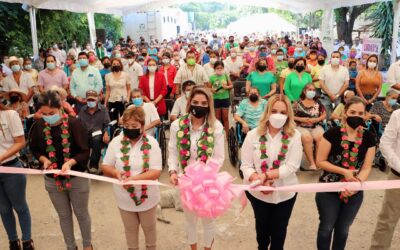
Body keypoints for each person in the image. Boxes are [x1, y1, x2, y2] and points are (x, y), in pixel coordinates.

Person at [30, 90, 92, 250]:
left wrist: (70, 163)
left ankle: (87, 246)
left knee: (81, 213)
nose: (48, 117)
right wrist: (44, 160)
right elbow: (35, 149)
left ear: (61, 108)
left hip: (76, 178)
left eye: (51, 113)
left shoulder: (74, 124)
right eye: (44, 113)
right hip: (52, 180)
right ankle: (71, 246)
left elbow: (84, 151)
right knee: (64, 216)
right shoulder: (39, 125)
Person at [240, 94, 302, 250]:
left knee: (279, 233)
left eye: (283, 112)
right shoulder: (253, 135)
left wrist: (266, 176)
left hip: (285, 194)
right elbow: (245, 165)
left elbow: (292, 166)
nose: (278, 115)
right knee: (262, 231)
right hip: (258, 193)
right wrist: (259, 180)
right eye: (274, 111)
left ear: (288, 115)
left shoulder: (295, 136)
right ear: (267, 112)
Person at [316, 96, 376, 250]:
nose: (356, 116)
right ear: (345, 113)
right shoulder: (332, 134)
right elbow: (320, 161)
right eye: (353, 112)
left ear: (365, 115)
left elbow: (367, 167)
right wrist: (344, 171)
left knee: (343, 231)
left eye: (361, 113)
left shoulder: (369, 137)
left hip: (354, 190)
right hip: (328, 188)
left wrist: (355, 185)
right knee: (326, 228)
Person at [168, 87, 224, 250]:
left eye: (204, 103)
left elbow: (219, 157)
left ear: (209, 105)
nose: (199, 106)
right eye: (195, 102)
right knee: (190, 220)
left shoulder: (216, 126)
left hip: (207, 182)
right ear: (189, 103)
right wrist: (172, 171)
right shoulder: (177, 125)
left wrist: (203, 176)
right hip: (185, 181)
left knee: (208, 221)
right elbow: (172, 151)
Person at [102, 106, 161, 250]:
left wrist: (134, 179)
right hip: (124, 198)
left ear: (142, 126)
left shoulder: (152, 143)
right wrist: (116, 173)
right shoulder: (116, 142)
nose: (129, 129)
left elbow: (156, 171)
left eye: (134, 126)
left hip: (148, 198)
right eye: (126, 125)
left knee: (150, 230)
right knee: (130, 230)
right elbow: (105, 166)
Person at [0, 94, 34, 250]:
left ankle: (27, 241)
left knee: (20, 206)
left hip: (11, 168)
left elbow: (20, 142)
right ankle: (13, 242)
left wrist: (1, 157)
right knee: (4, 209)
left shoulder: (10, 115)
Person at [293, 84, 326, 170]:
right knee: (307, 138)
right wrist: (301, 119)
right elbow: (291, 116)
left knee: (320, 137)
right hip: (301, 126)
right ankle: (312, 163)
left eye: (313, 90)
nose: (312, 92)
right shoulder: (297, 103)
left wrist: (317, 119)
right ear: (304, 91)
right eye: (310, 90)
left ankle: (319, 162)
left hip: (315, 125)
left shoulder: (318, 103)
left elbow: (324, 115)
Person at [78, 90, 110, 174]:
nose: (90, 102)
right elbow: (79, 123)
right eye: (89, 100)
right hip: (85, 133)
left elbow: (107, 123)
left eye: (92, 100)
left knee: (96, 140)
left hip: (98, 133)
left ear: (97, 99)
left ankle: (93, 165)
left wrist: (106, 133)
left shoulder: (103, 109)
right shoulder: (83, 109)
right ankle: (82, 165)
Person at [319, 51, 350, 117]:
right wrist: (330, 95)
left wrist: (337, 95)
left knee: (337, 118)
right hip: (325, 97)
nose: (335, 58)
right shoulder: (324, 68)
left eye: (337, 57)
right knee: (325, 117)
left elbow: (346, 84)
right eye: (333, 57)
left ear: (340, 58)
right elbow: (321, 83)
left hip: (338, 98)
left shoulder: (344, 70)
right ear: (331, 58)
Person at [209, 61, 233, 137]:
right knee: (218, 117)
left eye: (221, 68)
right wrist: (211, 89)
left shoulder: (225, 75)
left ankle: (227, 135)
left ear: (223, 68)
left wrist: (227, 87)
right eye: (217, 68)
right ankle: (219, 134)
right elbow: (208, 87)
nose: (219, 69)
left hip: (225, 98)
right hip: (216, 99)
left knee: (225, 117)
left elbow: (231, 85)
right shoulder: (212, 77)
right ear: (214, 69)